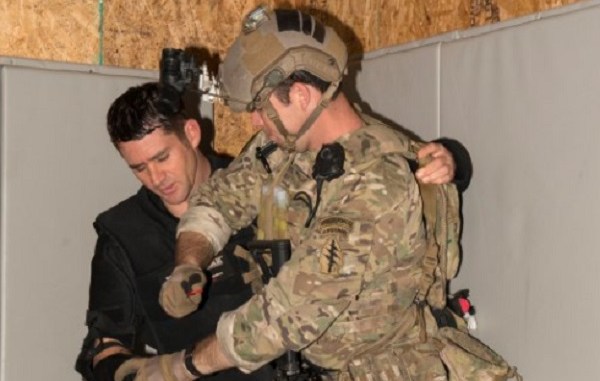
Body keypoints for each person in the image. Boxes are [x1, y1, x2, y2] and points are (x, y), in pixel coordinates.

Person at [114, 6, 474, 381]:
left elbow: (288, 313)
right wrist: (189, 262)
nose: (255, 122)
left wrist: (179, 367)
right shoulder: (283, 147)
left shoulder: (375, 184)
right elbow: (220, 199)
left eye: (259, 110)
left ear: (301, 94)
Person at [75, 82, 274, 381]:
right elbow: (104, 344)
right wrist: (137, 374)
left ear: (191, 134)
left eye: (162, 158)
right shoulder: (123, 232)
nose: (156, 178)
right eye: (139, 168)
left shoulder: (265, 192)